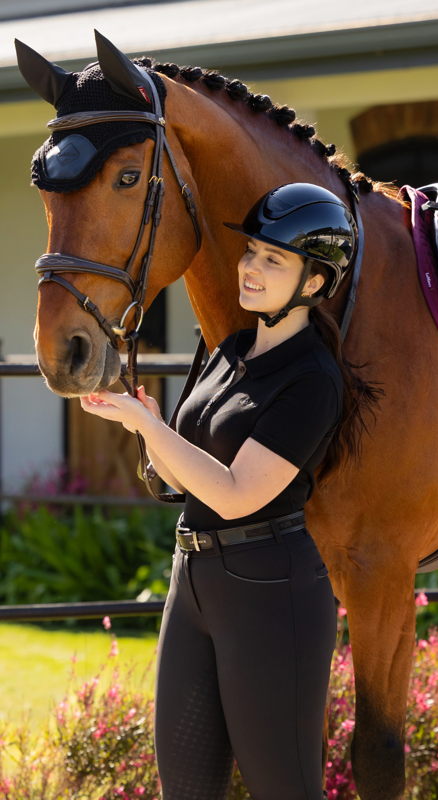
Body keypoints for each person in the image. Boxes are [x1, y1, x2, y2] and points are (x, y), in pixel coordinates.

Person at [80, 182, 379, 800]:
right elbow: (179, 475)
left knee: (284, 790)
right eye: (252, 252)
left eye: (275, 259)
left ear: (316, 283)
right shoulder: (231, 350)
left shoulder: (313, 379)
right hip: (193, 577)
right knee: (185, 788)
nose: (250, 267)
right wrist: (141, 423)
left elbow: (238, 493)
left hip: (270, 592)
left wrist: (148, 425)